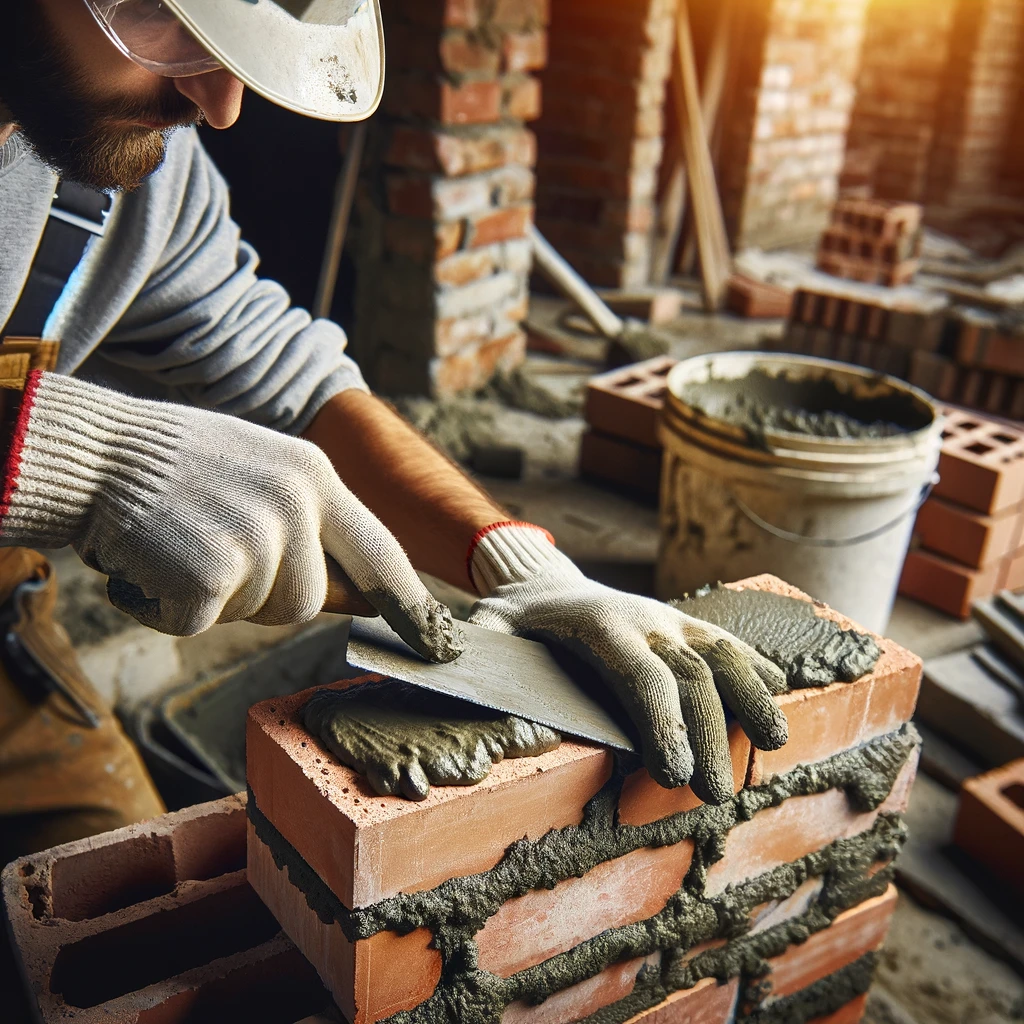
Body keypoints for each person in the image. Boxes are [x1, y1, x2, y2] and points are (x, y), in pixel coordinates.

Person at [0, 0, 790, 864]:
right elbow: (94, 462)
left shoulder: (125, 164)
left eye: (236, 43)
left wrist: (517, 563)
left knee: (101, 913)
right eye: (168, 22)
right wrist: (93, 462)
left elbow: (287, 377)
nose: (221, 104)